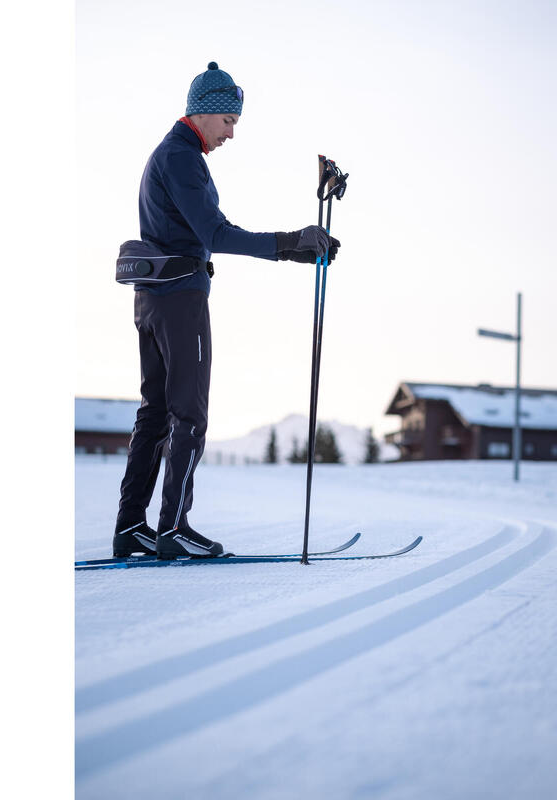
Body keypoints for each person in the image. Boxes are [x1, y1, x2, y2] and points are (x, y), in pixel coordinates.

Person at [113, 61, 340, 560]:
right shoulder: (182, 157)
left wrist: (296, 250)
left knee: (155, 413)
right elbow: (213, 234)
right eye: (229, 121)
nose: (232, 133)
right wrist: (290, 241)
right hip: (179, 298)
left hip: (153, 298)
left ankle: (132, 527)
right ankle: (172, 530)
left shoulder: (172, 155)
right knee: (188, 414)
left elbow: (207, 230)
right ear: (205, 111)